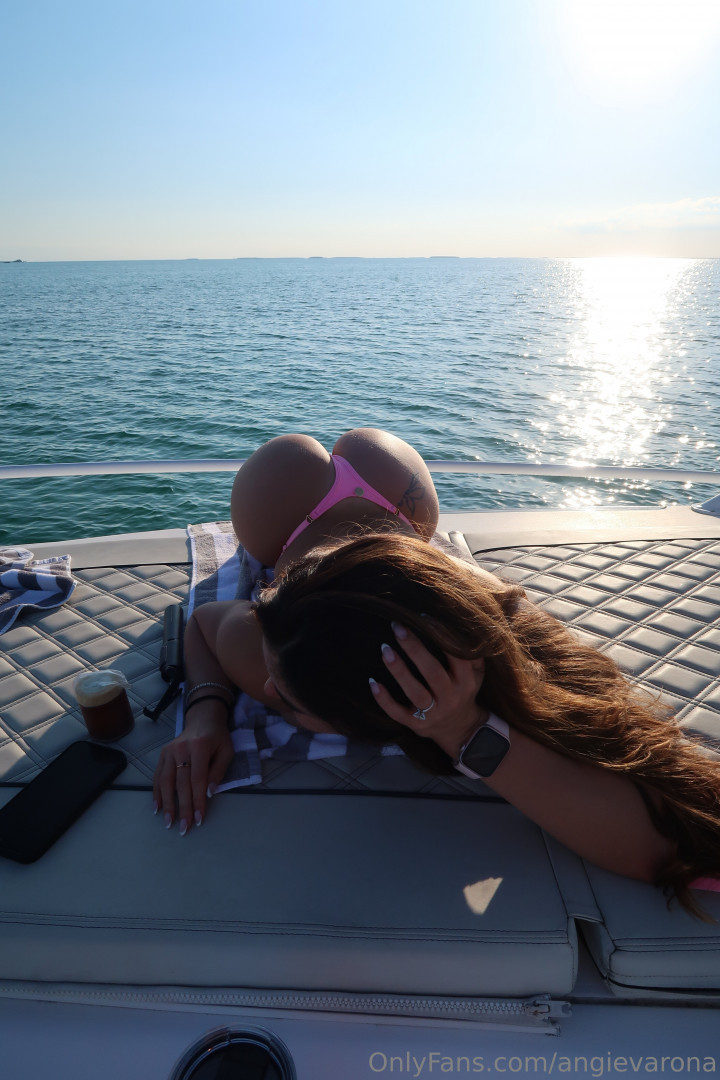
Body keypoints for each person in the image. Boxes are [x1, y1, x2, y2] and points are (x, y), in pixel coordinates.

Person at [153, 430, 720, 915]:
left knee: (301, 459)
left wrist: (464, 730)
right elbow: (202, 624)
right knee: (302, 459)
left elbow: (666, 850)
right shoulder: (270, 639)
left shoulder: (500, 628)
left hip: (365, 505)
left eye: (290, 700)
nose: (267, 690)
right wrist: (205, 714)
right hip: (315, 510)